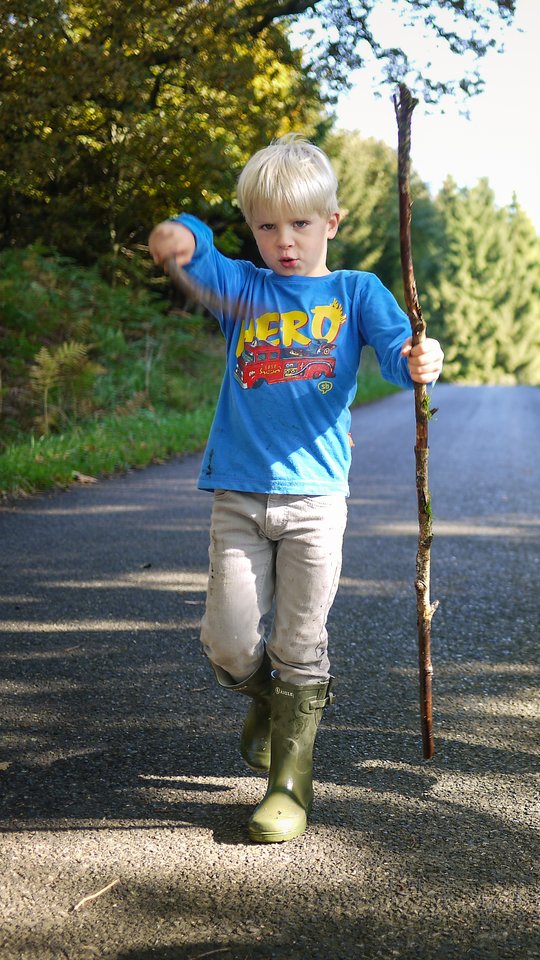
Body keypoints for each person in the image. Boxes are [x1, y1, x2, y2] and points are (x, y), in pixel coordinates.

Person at [147, 133, 443, 842]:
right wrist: (180, 236)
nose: (285, 241)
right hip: (240, 495)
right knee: (228, 642)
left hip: (316, 501)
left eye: (301, 225)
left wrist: (422, 357)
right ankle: (266, 697)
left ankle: (289, 785)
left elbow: (403, 364)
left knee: (301, 641)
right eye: (267, 226)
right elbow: (202, 253)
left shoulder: (354, 292)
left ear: (332, 222)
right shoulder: (243, 290)